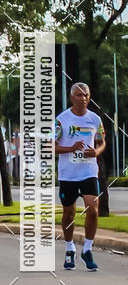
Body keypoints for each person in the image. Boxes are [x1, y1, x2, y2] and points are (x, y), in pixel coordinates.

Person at [55, 82, 106, 271]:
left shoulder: (95, 120)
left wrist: (97, 151)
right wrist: (70, 148)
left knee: (93, 208)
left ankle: (87, 249)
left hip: (88, 172)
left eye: (86, 95)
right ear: (71, 98)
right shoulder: (61, 120)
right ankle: (70, 249)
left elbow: (102, 141)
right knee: (69, 214)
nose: (83, 98)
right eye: (79, 95)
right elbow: (51, 146)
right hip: (68, 175)